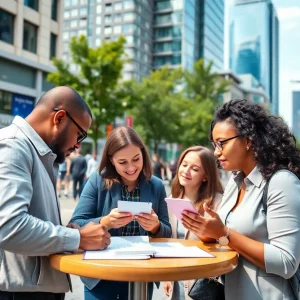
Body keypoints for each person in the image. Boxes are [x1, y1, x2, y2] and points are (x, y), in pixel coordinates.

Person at [181, 99, 300, 300]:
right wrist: (207, 230)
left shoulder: (281, 182)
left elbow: (286, 262)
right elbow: (226, 239)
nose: (216, 152)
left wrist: (224, 233)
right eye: (214, 144)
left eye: (222, 143)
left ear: (248, 140)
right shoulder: (236, 182)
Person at [0, 86, 111, 300]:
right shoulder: (13, 146)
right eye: (80, 135)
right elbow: (9, 226)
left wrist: (62, 231)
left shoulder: (37, 153)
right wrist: (77, 238)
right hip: (18, 292)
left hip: (32, 288)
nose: (78, 145)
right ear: (59, 118)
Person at [69, 126, 172, 300]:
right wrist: (106, 222)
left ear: (143, 155)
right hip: (101, 273)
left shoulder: (156, 185)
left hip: (141, 274)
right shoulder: (97, 181)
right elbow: (75, 223)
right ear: (111, 161)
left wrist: (155, 227)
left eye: (136, 159)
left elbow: (167, 232)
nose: (131, 168)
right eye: (122, 162)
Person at [164, 146, 223, 299]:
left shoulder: (217, 203)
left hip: (202, 283)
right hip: (176, 282)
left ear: (206, 176)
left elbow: (224, 242)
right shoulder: (173, 198)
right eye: (184, 165)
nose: (186, 171)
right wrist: (168, 276)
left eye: (195, 169)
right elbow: (172, 241)